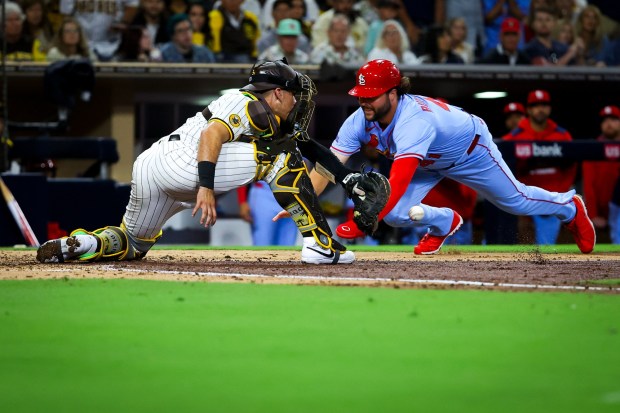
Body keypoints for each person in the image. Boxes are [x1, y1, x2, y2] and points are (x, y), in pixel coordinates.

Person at [36, 59, 357, 265]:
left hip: (151, 166)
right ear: (276, 93)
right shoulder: (246, 101)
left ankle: (84, 243)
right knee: (281, 157)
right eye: (293, 95)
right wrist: (204, 186)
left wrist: (347, 179)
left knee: (132, 244)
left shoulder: (268, 116)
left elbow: (315, 150)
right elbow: (211, 136)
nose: (298, 102)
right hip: (185, 163)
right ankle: (319, 245)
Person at [298, 59, 595, 255]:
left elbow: (398, 180)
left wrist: (362, 220)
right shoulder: (359, 120)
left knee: (515, 201)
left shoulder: (413, 121)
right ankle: (444, 223)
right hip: (428, 160)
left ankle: (569, 206)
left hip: (470, 152)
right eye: (361, 94)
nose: (364, 101)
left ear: (394, 93)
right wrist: (306, 200)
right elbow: (328, 165)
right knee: (393, 213)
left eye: (372, 94)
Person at [502, 89, 576, 245]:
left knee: (550, 251)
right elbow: (503, 168)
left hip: (553, 200)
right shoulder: (514, 137)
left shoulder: (562, 135)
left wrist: (561, 194)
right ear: (528, 110)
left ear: (549, 108)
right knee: (522, 249)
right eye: (535, 105)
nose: (540, 109)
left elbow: (571, 167)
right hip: (525, 201)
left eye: (544, 105)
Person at [582, 105, 620, 244]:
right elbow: (589, 185)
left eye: (613, 119)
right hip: (601, 211)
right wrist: (593, 214)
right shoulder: (594, 148)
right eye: (605, 120)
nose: (608, 123)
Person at [60, 0, 139, 61]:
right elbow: (66, 14)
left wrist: (123, 22)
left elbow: (133, 4)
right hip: (81, 46)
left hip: (112, 46)